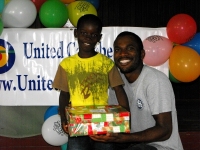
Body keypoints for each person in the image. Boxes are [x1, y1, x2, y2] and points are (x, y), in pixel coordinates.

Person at [90, 31, 184, 150]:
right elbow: (116, 121)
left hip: (159, 146)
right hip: (132, 142)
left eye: (130, 48)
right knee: (100, 145)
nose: (123, 54)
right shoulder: (117, 81)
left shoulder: (155, 80)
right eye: (118, 50)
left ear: (142, 54)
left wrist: (124, 138)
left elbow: (165, 130)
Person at [52, 15, 129, 150]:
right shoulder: (67, 65)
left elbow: (119, 90)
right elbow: (64, 94)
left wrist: (125, 116)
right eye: (84, 33)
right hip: (77, 123)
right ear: (76, 33)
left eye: (93, 35)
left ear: (99, 38)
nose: (88, 38)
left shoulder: (106, 63)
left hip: (103, 123)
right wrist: (64, 119)